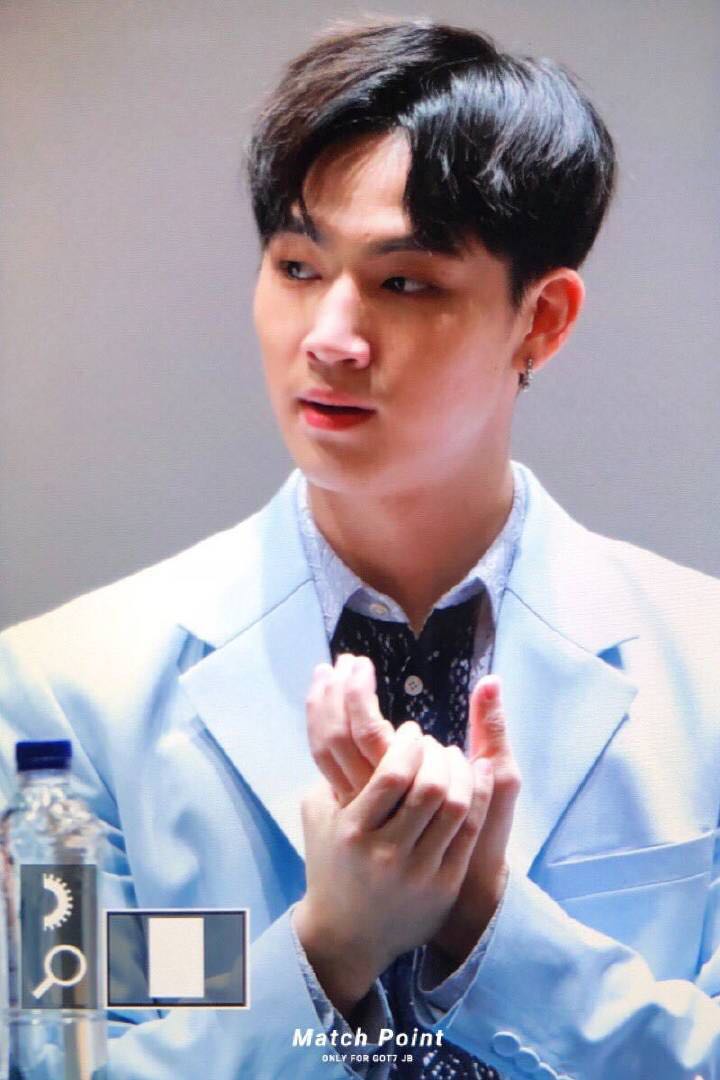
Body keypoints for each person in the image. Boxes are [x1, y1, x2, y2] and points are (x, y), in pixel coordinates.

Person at [1, 17, 720, 1080]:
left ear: (542, 321)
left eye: (405, 282)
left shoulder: (705, 667)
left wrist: (487, 925)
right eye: (297, 266)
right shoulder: (62, 694)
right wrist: (328, 947)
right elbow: (55, 1056)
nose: (329, 336)